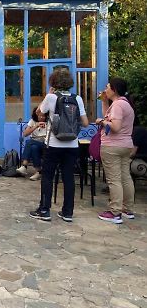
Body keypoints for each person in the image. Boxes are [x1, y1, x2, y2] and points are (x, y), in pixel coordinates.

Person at [29, 68, 88, 223]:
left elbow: (39, 113)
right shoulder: (78, 98)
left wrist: (48, 95)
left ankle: (44, 210)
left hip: (53, 143)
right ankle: (67, 212)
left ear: (53, 82)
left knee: (47, 176)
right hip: (72, 144)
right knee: (68, 177)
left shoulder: (51, 97)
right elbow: (86, 123)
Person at [96, 78, 135, 224]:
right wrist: (104, 101)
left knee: (114, 180)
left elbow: (115, 126)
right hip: (125, 145)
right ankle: (127, 209)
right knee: (125, 177)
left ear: (114, 89)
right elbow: (110, 117)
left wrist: (101, 122)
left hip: (113, 146)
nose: (105, 90)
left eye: (107, 87)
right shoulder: (125, 104)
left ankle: (115, 212)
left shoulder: (118, 105)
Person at [16, 108, 47, 181]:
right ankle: (39, 172)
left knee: (29, 142)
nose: (42, 117)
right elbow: (25, 134)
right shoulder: (32, 121)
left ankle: (24, 165)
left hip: (45, 145)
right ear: (36, 115)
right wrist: (36, 126)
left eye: (44, 116)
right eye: (40, 116)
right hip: (35, 144)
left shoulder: (49, 122)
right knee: (34, 148)